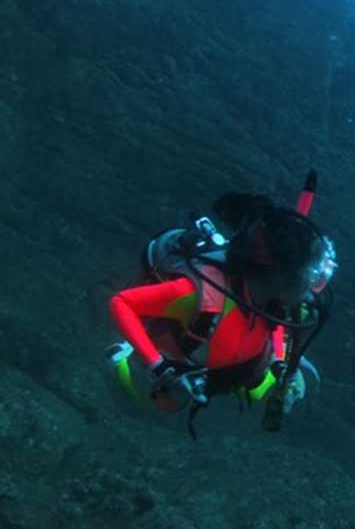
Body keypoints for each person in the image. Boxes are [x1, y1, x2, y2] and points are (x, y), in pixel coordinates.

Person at [106, 171, 336, 437]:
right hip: (192, 363)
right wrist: (159, 366)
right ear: (279, 275)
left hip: (230, 361)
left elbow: (274, 324)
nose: (315, 291)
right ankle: (120, 360)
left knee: (276, 376)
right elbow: (122, 303)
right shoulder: (201, 296)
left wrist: (281, 365)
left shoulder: (276, 302)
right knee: (165, 404)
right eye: (313, 278)